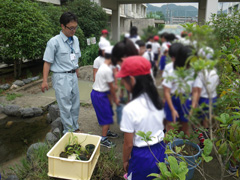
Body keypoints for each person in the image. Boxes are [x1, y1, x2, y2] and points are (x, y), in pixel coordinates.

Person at [117, 56, 165, 180]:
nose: (122, 82)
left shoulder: (130, 109)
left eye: (123, 79)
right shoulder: (157, 100)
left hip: (142, 156)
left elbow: (128, 144)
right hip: (160, 149)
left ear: (132, 80)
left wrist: (125, 160)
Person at [41, 12, 81, 134]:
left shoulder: (75, 40)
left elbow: (76, 57)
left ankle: (75, 126)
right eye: (71, 28)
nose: (74, 30)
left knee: (75, 104)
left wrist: (77, 71)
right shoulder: (54, 42)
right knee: (65, 106)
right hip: (61, 77)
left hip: (73, 75)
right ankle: (69, 132)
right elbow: (47, 62)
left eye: (75, 27)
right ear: (62, 26)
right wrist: (44, 81)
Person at [91, 46, 119, 148]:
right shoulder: (106, 69)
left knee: (107, 114)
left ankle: (107, 131)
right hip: (100, 94)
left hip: (99, 93)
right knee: (107, 117)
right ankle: (103, 139)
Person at [162, 45, 194, 136]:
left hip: (186, 100)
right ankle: (169, 148)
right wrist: (172, 109)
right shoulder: (172, 71)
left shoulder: (192, 72)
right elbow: (166, 90)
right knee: (171, 127)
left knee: (184, 128)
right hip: (173, 99)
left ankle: (181, 147)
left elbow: (195, 91)